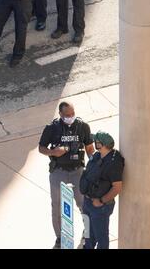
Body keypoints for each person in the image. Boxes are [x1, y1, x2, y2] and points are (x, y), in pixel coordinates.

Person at [38, 101, 94, 249]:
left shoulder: (82, 126)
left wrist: (94, 165)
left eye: (72, 114)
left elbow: (89, 147)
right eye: (67, 115)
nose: (70, 117)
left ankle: (88, 232)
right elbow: (41, 148)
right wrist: (53, 152)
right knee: (57, 206)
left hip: (78, 172)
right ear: (60, 114)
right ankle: (60, 238)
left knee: (85, 204)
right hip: (59, 172)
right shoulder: (52, 128)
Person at [80, 131, 124, 249]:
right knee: (88, 234)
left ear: (101, 144)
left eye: (96, 141)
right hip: (88, 203)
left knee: (101, 238)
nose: (94, 143)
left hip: (99, 207)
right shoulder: (98, 156)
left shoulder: (114, 163)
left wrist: (101, 201)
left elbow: (117, 187)